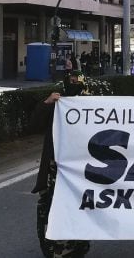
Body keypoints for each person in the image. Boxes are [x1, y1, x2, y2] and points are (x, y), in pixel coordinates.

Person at [31, 72, 91, 257]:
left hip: (81, 170)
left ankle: (75, 245)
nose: (73, 84)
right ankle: (55, 247)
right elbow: (34, 125)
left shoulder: (92, 107)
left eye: (77, 81)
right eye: (71, 81)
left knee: (78, 207)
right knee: (51, 206)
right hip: (54, 169)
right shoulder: (56, 104)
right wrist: (47, 104)